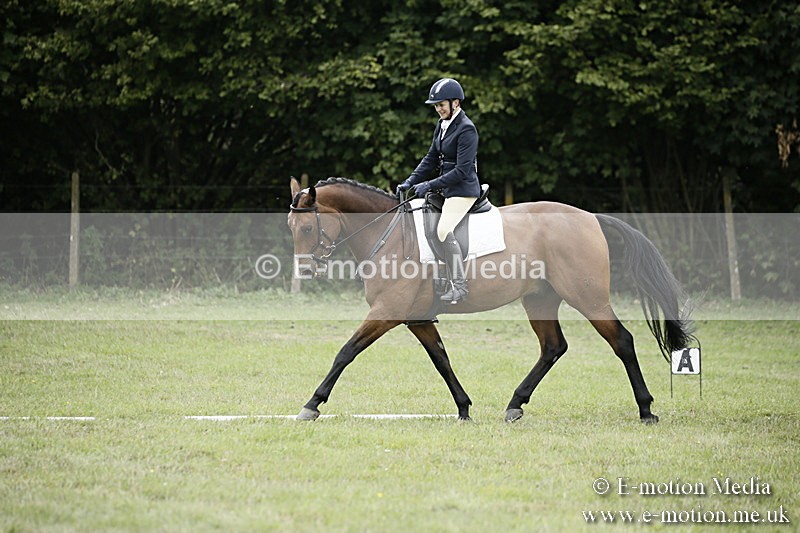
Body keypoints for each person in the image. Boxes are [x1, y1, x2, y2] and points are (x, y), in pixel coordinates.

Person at [396, 77, 481, 304]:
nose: (438, 109)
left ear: (455, 103)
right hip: (447, 190)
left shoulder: (467, 129)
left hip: (463, 190)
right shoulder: (442, 125)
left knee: (443, 230)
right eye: (436, 106)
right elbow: (431, 158)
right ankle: (438, 277)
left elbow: (462, 171)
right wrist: (410, 181)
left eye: (441, 104)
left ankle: (460, 287)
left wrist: (429, 185)